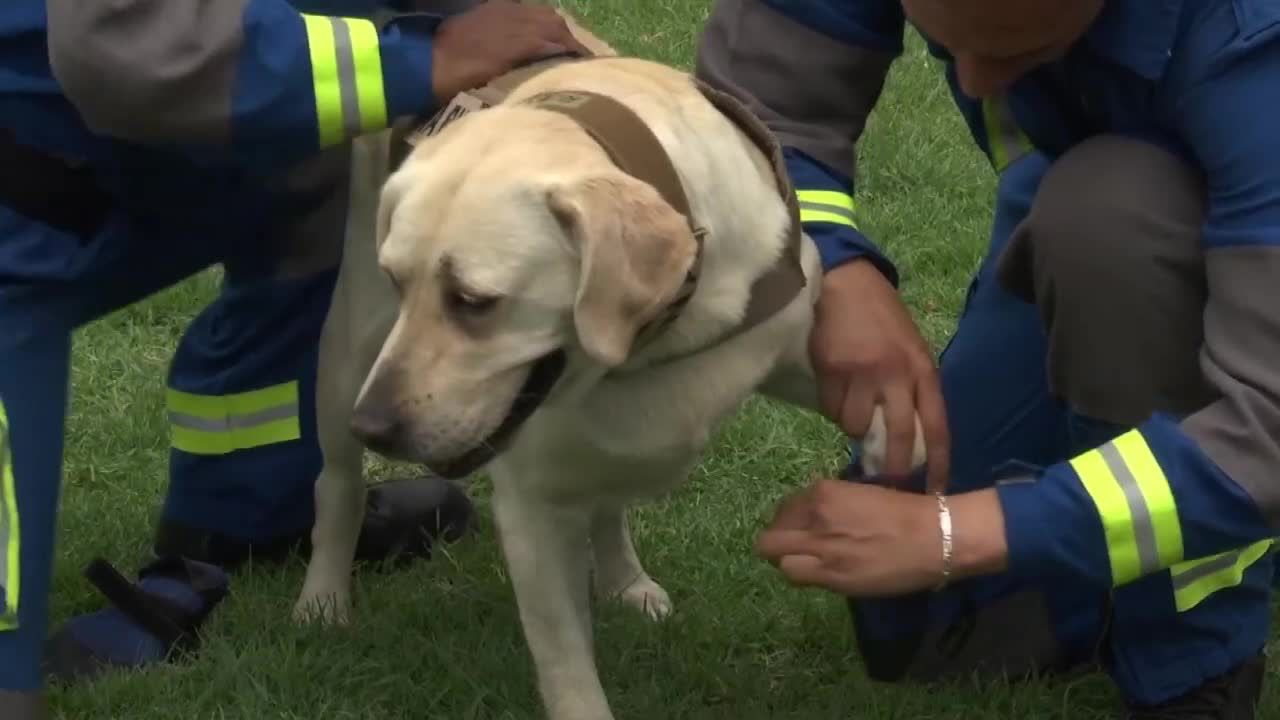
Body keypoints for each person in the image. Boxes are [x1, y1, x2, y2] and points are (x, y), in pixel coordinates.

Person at [0, 0, 588, 715]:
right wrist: (421, 61)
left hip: (171, 139)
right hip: (31, 150)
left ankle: (244, 511)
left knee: (310, 203)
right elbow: (124, 44)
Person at [696, 0, 1279, 718]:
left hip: (1154, 227)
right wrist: (834, 262)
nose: (971, 82)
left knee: (1108, 212)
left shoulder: (1254, 45)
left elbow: (1268, 430)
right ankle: (1106, 584)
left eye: (1012, 49)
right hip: (1075, 200)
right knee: (935, 629)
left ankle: (1197, 653)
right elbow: (751, 109)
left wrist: (956, 533)